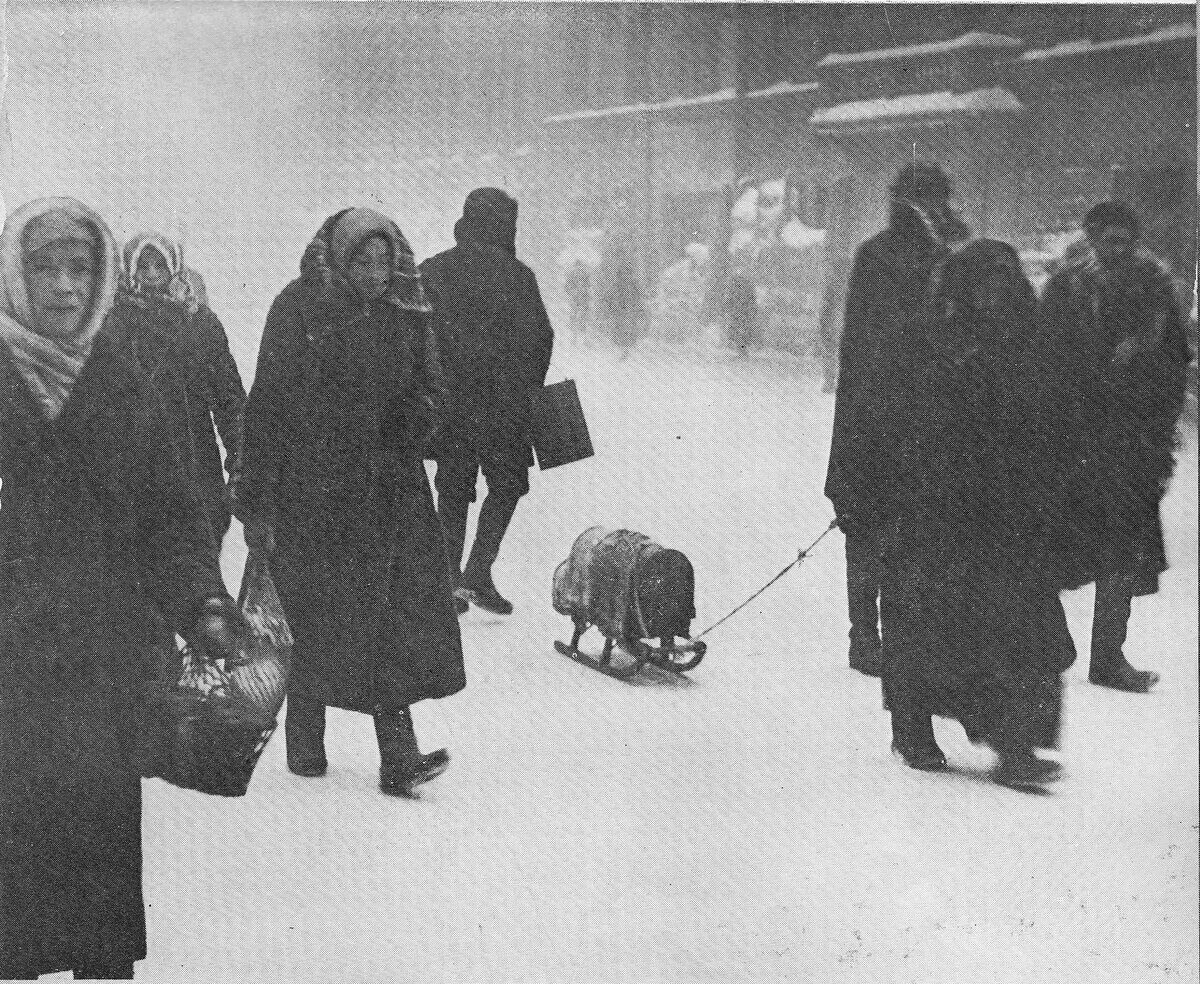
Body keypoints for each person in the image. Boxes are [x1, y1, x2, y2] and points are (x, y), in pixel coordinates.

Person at [0, 197, 242, 980]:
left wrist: (203, 602)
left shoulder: (125, 381)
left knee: (101, 842)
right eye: (45, 267)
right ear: (13, 273)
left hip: (104, 658)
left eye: (80, 268)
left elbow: (170, 520)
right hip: (9, 663)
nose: (65, 287)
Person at [237, 207, 465, 796]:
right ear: (338, 257)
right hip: (313, 492)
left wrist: (427, 419)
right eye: (362, 259)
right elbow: (266, 406)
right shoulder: (297, 310)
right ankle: (304, 742)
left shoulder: (405, 313)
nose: (375, 270)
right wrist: (256, 500)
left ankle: (398, 757)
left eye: (384, 258)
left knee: (384, 621)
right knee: (316, 618)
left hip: (387, 491)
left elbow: (424, 388)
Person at [878, 240, 1078, 791]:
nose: (993, 296)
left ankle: (1018, 745)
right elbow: (915, 426)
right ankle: (913, 724)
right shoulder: (936, 343)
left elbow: (1049, 419)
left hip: (1011, 510)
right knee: (939, 625)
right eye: (982, 285)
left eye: (1002, 284)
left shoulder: (1030, 342)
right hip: (948, 511)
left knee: (1024, 631)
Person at [1038, 201, 1190, 693]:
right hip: (1074, 443)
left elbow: (1176, 365)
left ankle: (1108, 656)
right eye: (1108, 239)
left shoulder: (1156, 289)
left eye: (1125, 240)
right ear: (1092, 238)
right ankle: (1047, 646)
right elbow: (1043, 360)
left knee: (1121, 554)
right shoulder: (1065, 289)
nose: (1117, 248)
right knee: (1052, 551)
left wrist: (1154, 414)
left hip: (1132, 445)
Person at [824, 162, 969, 679]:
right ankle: (864, 636)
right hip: (876, 418)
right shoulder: (879, 256)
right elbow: (865, 344)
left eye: (937, 198)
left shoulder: (955, 254)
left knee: (917, 539)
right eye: (920, 198)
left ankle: (908, 640)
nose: (930, 208)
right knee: (866, 530)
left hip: (932, 424)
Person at [420, 188, 555, 617]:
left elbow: (415, 332)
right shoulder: (519, 276)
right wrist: (524, 388)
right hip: (504, 410)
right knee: (508, 486)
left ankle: (449, 579)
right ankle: (478, 570)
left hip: (452, 406)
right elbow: (541, 339)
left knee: (454, 488)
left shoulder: (434, 271)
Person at [116, 231, 246, 541]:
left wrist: (242, 462)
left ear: (174, 269)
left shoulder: (200, 323)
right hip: (136, 475)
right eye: (142, 267)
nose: (150, 275)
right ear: (129, 271)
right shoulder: (115, 325)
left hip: (196, 468)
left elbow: (229, 400)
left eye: (159, 266)